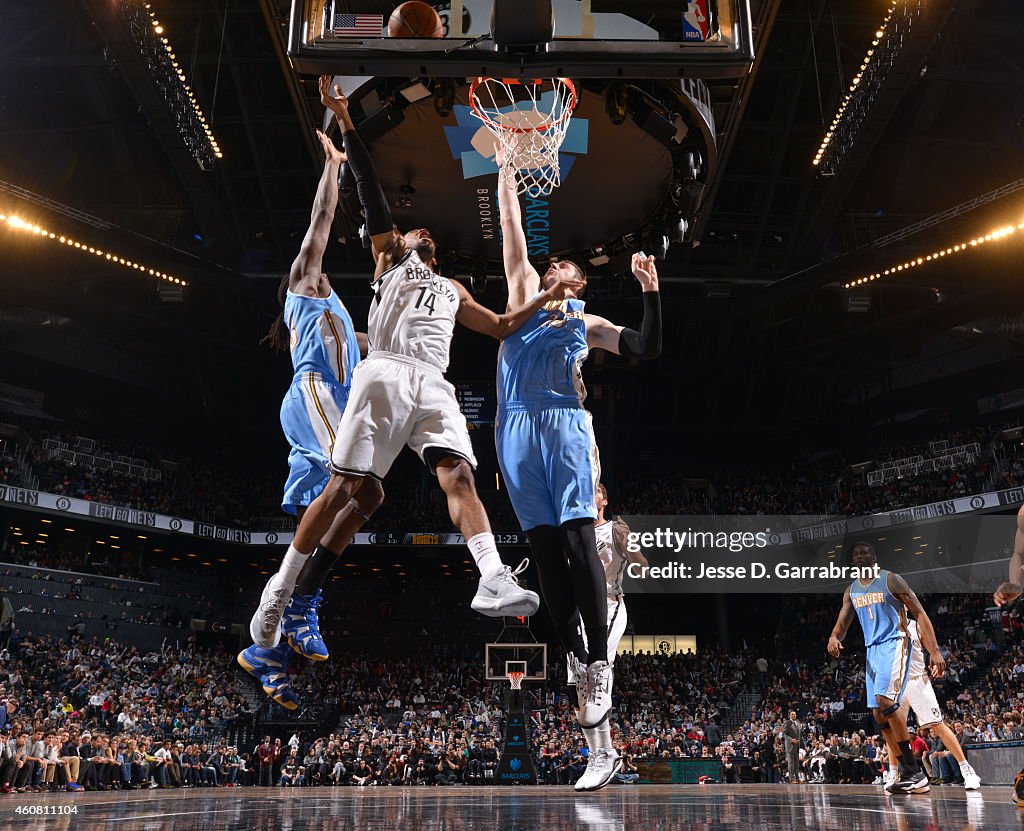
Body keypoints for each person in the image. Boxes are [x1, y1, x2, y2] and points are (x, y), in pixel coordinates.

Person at [249, 77, 588, 647]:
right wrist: (348, 124)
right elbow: (370, 190)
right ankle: (281, 589)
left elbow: (504, 327)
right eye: (414, 229)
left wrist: (544, 299)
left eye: (425, 231)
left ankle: (491, 577)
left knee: (459, 474)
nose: (421, 230)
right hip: (382, 372)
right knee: (344, 488)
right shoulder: (388, 261)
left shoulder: (453, 288)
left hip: (434, 383)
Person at [494, 154, 661, 793]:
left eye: (568, 267)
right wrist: (508, 165)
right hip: (513, 429)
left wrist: (649, 292)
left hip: (565, 425)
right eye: (556, 262)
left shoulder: (584, 324)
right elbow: (511, 221)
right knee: (540, 557)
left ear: (580, 285)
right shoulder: (520, 295)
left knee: (574, 540)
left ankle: (596, 662)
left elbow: (646, 349)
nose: (560, 267)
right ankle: (579, 658)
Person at [241, 125, 384, 709]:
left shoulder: (344, 324)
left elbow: (379, 343)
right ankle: (296, 607)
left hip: (334, 403)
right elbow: (320, 222)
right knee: (358, 484)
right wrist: (335, 167)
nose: (322, 260)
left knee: (344, 509)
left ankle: (269, 654)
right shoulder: (304, 285)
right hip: (313, 396)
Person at [828, 542, 939, 794]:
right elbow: (843, 623)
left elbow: (920, 614)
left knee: (885, 701)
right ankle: (905, 772)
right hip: (872, 650)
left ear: (874, 557)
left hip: (896, 641)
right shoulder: (851, 590)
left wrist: (934, 651)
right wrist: (835, 637)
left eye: (864, 552)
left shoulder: (891, 580)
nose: (859, 556)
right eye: (856, 554)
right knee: (878, 714)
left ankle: (914, 772)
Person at [565, 483, 649, 791]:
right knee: (575, 683)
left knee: (597, 669)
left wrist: (634, 558)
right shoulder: (575, 531)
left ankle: (606, 751)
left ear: (605, 499)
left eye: (597, 489)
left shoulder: (616, 528)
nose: (591, 492)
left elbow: (641, 562)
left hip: (610, 603)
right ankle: (600, 753)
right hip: (580, 611)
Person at [782, 711, 802, 783]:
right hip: (790, 746)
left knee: (797, 763)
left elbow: (800, 736)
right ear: (789, 715)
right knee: (791, 763)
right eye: (792, 714)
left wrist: (803, 746)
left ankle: (797, 778)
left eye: (795, 714)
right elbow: (784, 734)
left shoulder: (799, 724)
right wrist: (791, 740)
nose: (794, 715)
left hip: (797, 746)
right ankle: (792, 779)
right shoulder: (787, 723)